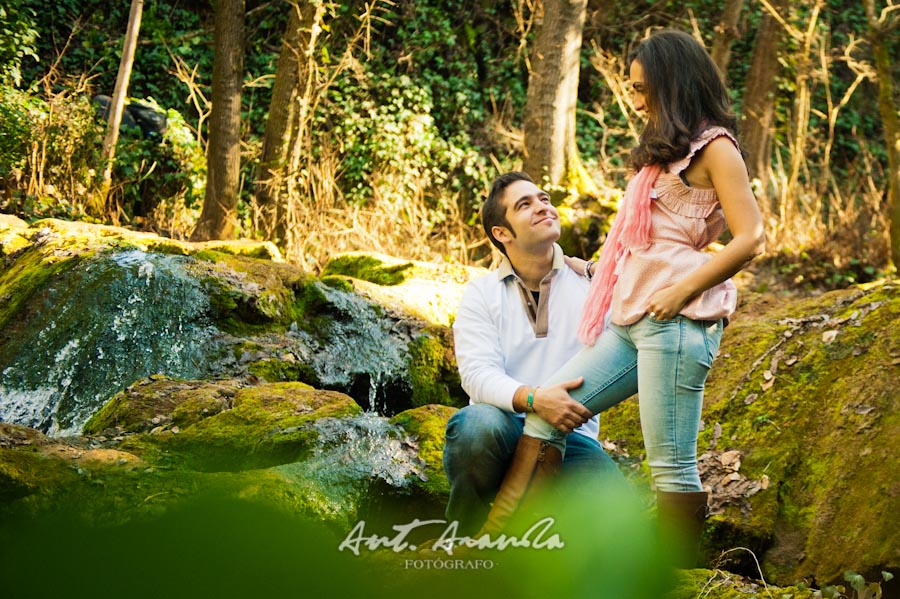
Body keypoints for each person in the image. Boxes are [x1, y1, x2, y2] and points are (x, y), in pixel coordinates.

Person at [477, 30, 766, 567]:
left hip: (677, 318)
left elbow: (752, 237)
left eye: (641, 89)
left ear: (671, 83)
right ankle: (507, 545)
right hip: (629, 315)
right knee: (547, 413)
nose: (634, 101)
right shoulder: (663, 154)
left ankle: (672, 577)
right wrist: (595, 267)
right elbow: (640, 239)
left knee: (670, 465)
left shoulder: (716, 148)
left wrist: (681, 288)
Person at [444, 171, 621, 537]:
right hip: (504, 429)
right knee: (474, 426)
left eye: (543, 199)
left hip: (574, 438)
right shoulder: (481, 294)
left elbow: (642, 320)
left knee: (618, 515)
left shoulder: (592, 284)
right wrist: (536, 399)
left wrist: (598, 271)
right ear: (502, 233)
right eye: (525, 205)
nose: (543, 207)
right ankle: (462, 535)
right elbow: (476, 375)